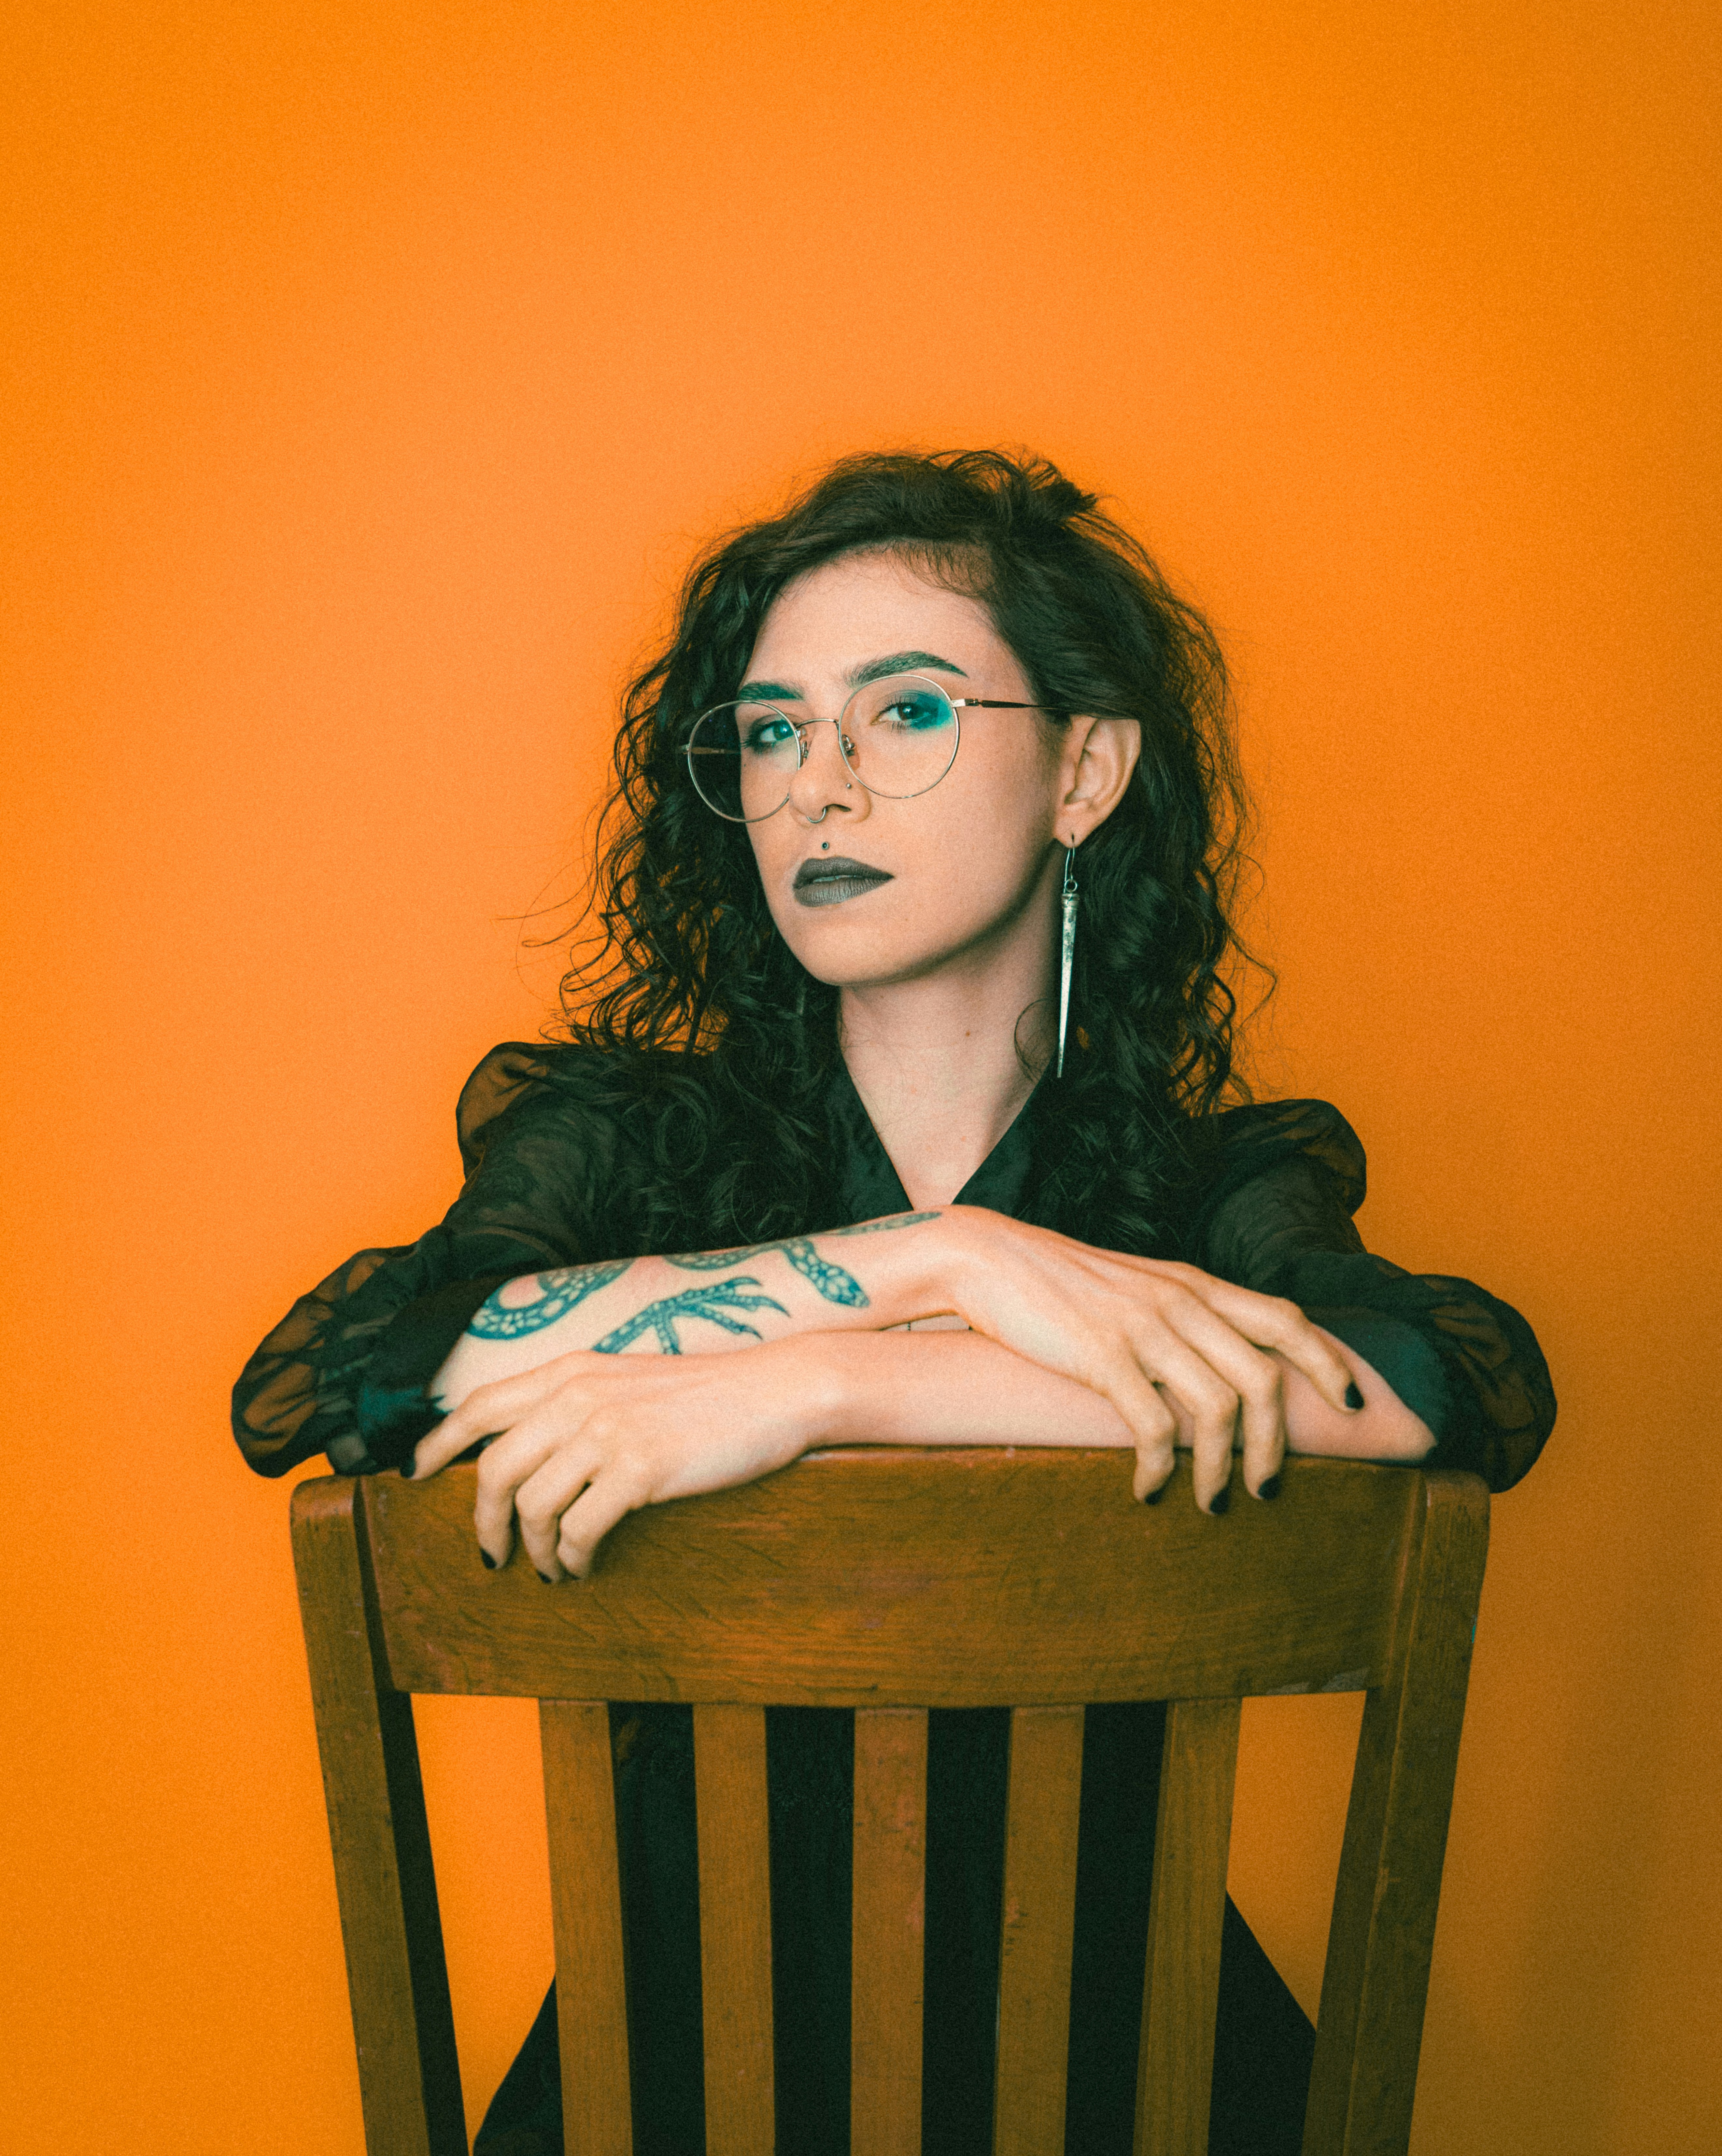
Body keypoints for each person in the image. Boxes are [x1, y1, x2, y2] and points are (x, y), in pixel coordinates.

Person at [234, 449, 1555, 2155]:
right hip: (672, 2098)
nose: (817, 790)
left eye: (905, 712)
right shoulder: (630, 1147)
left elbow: (1437, 1378)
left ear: (1084, 768)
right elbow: (354, 1377)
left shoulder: (1201, 1198)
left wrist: (839, 1391)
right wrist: (941, 1264)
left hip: (1128, 2092)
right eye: (773, 731)